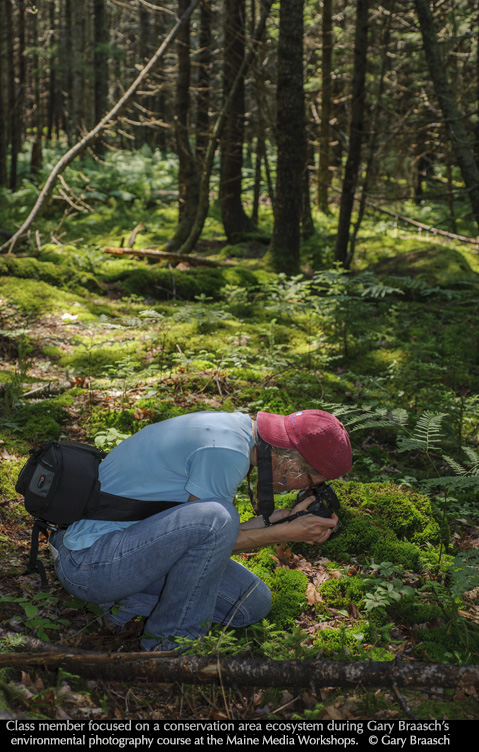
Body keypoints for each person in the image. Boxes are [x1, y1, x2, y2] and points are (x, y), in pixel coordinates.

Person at [49, 409, 352, 651]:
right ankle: (169, 647)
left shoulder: (236, 431)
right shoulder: (227, 453)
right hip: (89, 562)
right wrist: (285, 534)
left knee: (251, 603)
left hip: (125, 549)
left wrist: (282, 520)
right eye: (314, 481)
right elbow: (214, 529)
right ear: (291, 464)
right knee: (218, 517)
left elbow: (204, 542)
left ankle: (125, 603)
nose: (309, 488)